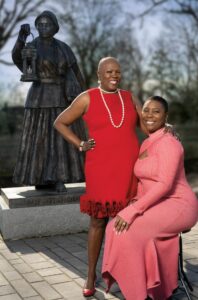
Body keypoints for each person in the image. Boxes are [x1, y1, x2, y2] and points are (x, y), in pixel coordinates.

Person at [54, 56, 143, 296]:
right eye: (109, 72)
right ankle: (91, 273)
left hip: (129, 169)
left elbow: (146, 127)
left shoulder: (129, 97)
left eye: (117, 72)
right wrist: (80, 144)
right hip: (101, 169)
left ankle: (123, 272)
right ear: (99, 75)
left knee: (126, 222)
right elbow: (60, 122)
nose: (114, 75)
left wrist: (165, 130)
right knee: (98, 221)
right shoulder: (87, 97)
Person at [102, 96, 198, 300]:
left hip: (179, 204)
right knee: (114, 227)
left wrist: (133, 211)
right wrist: (134, 203)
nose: (150, 115)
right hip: (158, 202)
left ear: (166, 116)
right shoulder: (146, 142)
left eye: (157, 111)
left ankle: (141, 294)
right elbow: (144, 182)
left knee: (129, 230)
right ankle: (145, 286)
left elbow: (164, 184)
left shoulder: (170, 143)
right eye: (146, 110)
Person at [12, 10, 87, 192]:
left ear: (55, 27)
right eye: (40, 24)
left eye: (48, 24)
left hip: (62, 98)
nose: (43, 27)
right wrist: (20, 40)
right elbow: (17, 59)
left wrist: (85, 96)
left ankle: (59, 177)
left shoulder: (63, 48)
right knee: (39, 139)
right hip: (39, 97)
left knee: (59, 140)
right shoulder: (31, 46)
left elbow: (76, 73)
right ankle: (41, 177)